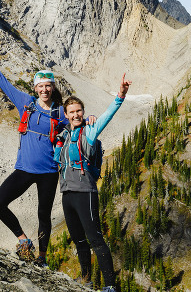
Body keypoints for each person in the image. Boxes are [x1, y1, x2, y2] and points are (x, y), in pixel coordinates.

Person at [0, 41, 67, 265]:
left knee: (43, 216)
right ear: (35, 88)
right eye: (40, 86)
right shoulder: (25, 102)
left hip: (49, 172)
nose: (44, 90)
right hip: (24, 169)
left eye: (48, 86)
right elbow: (2, 82)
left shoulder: (61, 113)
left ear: (53, 87)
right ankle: (24, 241)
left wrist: (89, 118)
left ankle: (42, 258)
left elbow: (79, 120)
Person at [55, 73, 131, 292]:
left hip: (85, 192)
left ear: (83, 112)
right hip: (67, 194)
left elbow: (108, 115)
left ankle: (110, 286)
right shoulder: (65, 135)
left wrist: (120, 96)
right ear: (67, 115)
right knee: (79, 242)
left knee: (95, 239)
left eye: (79, 110)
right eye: (72, 112)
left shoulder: (89, 132)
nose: (76, 114)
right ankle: (86, 281)